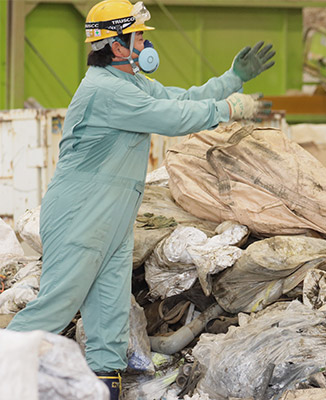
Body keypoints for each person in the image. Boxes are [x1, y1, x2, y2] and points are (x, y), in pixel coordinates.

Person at [6, 0, 275, 398]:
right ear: (116, 46)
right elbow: (172, 119)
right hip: (80, 215)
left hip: (111, 216)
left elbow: (180, 100)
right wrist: (227, 109)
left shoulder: (132, 84)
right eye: (138, 36)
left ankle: (104, 387)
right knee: (59, 304)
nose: (144, 43)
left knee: (110, 313)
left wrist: (232, 79)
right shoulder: (104, 90)